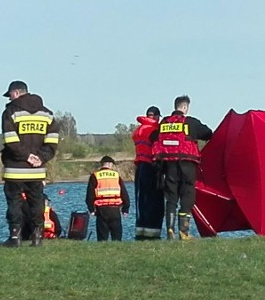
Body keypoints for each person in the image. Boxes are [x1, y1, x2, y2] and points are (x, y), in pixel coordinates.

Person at [0, 80, 60, 247]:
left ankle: (15, 237)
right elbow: (52, 141)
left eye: (10, 95)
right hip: (37, 170)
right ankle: (37, 237)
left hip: (15, 168)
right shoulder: (47, 114)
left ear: (16, 93)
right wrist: (40, 157)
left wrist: (26, 156)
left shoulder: (10, 112)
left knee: (14, 203)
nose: (9, 99)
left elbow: (9, 139)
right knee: (37, 203)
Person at [151, 95, 212, 240]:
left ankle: (170, 230)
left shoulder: (164, 123)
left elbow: (154, 138)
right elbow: (208, 134)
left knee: (171, 198)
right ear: (185, 107)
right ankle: (183, 232)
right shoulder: (190, 122)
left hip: (168, 165)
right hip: (187, 164)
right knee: (187, 196)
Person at [132, 105, 163, 240]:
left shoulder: (139, 130)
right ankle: (153, 233)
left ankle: (140, 232)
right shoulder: (155, 130)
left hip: (140, 167)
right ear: (156, 117)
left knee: (141, 201)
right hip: (151, 166)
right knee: (154, 200)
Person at [85, 156, 131, 241]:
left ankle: (103, 251)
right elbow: (124, 193)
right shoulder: (116, 175)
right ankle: (117, 250)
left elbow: (90, 195)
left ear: (102, 164)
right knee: (117, 237)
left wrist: (91, 209)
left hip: (101, 210)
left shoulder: (95, 176)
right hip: (115, 210)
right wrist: (125, 208)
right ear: (110, 164)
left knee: (102, 238)